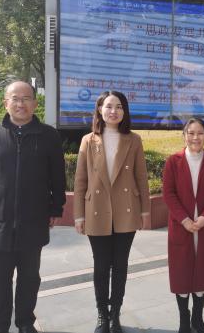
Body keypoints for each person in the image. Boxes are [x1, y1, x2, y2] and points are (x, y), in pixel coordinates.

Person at [0, 81, 66, 333]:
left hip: (33, 221)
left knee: (30, 278)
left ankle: (25, 324)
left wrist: (57, 207)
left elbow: (57, 176)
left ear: (35, 103)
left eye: (26, 98)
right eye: (15, 98)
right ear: (6, 103)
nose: (20, 104)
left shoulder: (49, 136)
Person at [73, 91, 151, 333]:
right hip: (96, 210)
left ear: (124, 111)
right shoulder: (88, 140)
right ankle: (102, 314)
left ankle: (115, 313)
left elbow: (141, 177)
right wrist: (79, 215)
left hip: (126, 210)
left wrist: (145, 212)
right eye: (108, 106)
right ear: (100, 109)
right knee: (100, 265)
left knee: (120, 265)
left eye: (119, 107)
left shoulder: (134, 140)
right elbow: (80, 180)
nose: (113, 111)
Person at [162, 118, 204, 333]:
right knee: (181, 274)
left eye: (200, 133)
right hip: (181, 226)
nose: (195, 137)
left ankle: (197, 319)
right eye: (190, 133)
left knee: (203, 273)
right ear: (184, 135)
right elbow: (168, 193)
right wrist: (185, 220)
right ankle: (184, 320)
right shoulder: (173, 161)